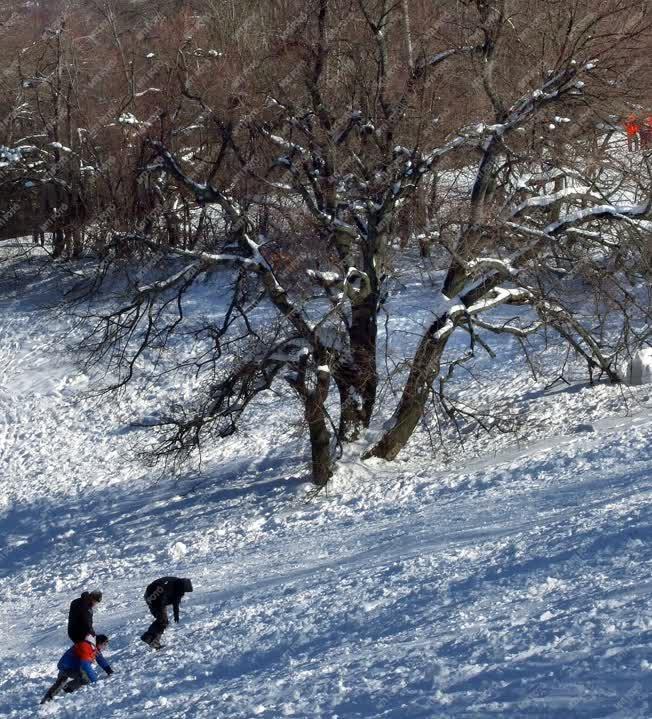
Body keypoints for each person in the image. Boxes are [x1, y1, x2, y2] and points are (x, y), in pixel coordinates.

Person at [40, 634, 113, 704]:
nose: (105, 647)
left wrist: (109, 670)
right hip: (67, 667)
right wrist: (95, 682)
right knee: (85, 679)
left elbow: (100, 659)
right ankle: (48, 700)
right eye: (104, 645)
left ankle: (63, 690)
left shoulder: (93, 648)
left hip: (72, 667)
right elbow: (85, 665)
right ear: (99, 643)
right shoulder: (86, 646)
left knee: (61, 682)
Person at [141, 576, 193, 649]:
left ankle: (152, 639)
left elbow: (176, 600)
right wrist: (162, 613)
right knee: (162, 621)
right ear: (181, 587)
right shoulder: (168, 587)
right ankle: (149, 638)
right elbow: (161, 601)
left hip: (157, 597)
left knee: (163, 621)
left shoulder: (178, 585)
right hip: (153, 598)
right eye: (184, 591)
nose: (183, 593)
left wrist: (176, 614)